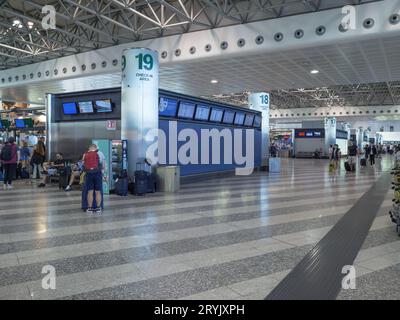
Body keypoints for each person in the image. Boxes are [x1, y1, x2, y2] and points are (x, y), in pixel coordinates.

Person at [83, 144, 105, 214]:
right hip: (98, 174)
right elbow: (103, 166)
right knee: (98, 192)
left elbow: (83, 165)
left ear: (89, 148)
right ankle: (98, 208)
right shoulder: (100, 153)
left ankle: (89, 208)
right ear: (96, 148)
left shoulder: (85, 154)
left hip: (89, 174)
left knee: (90, 192)